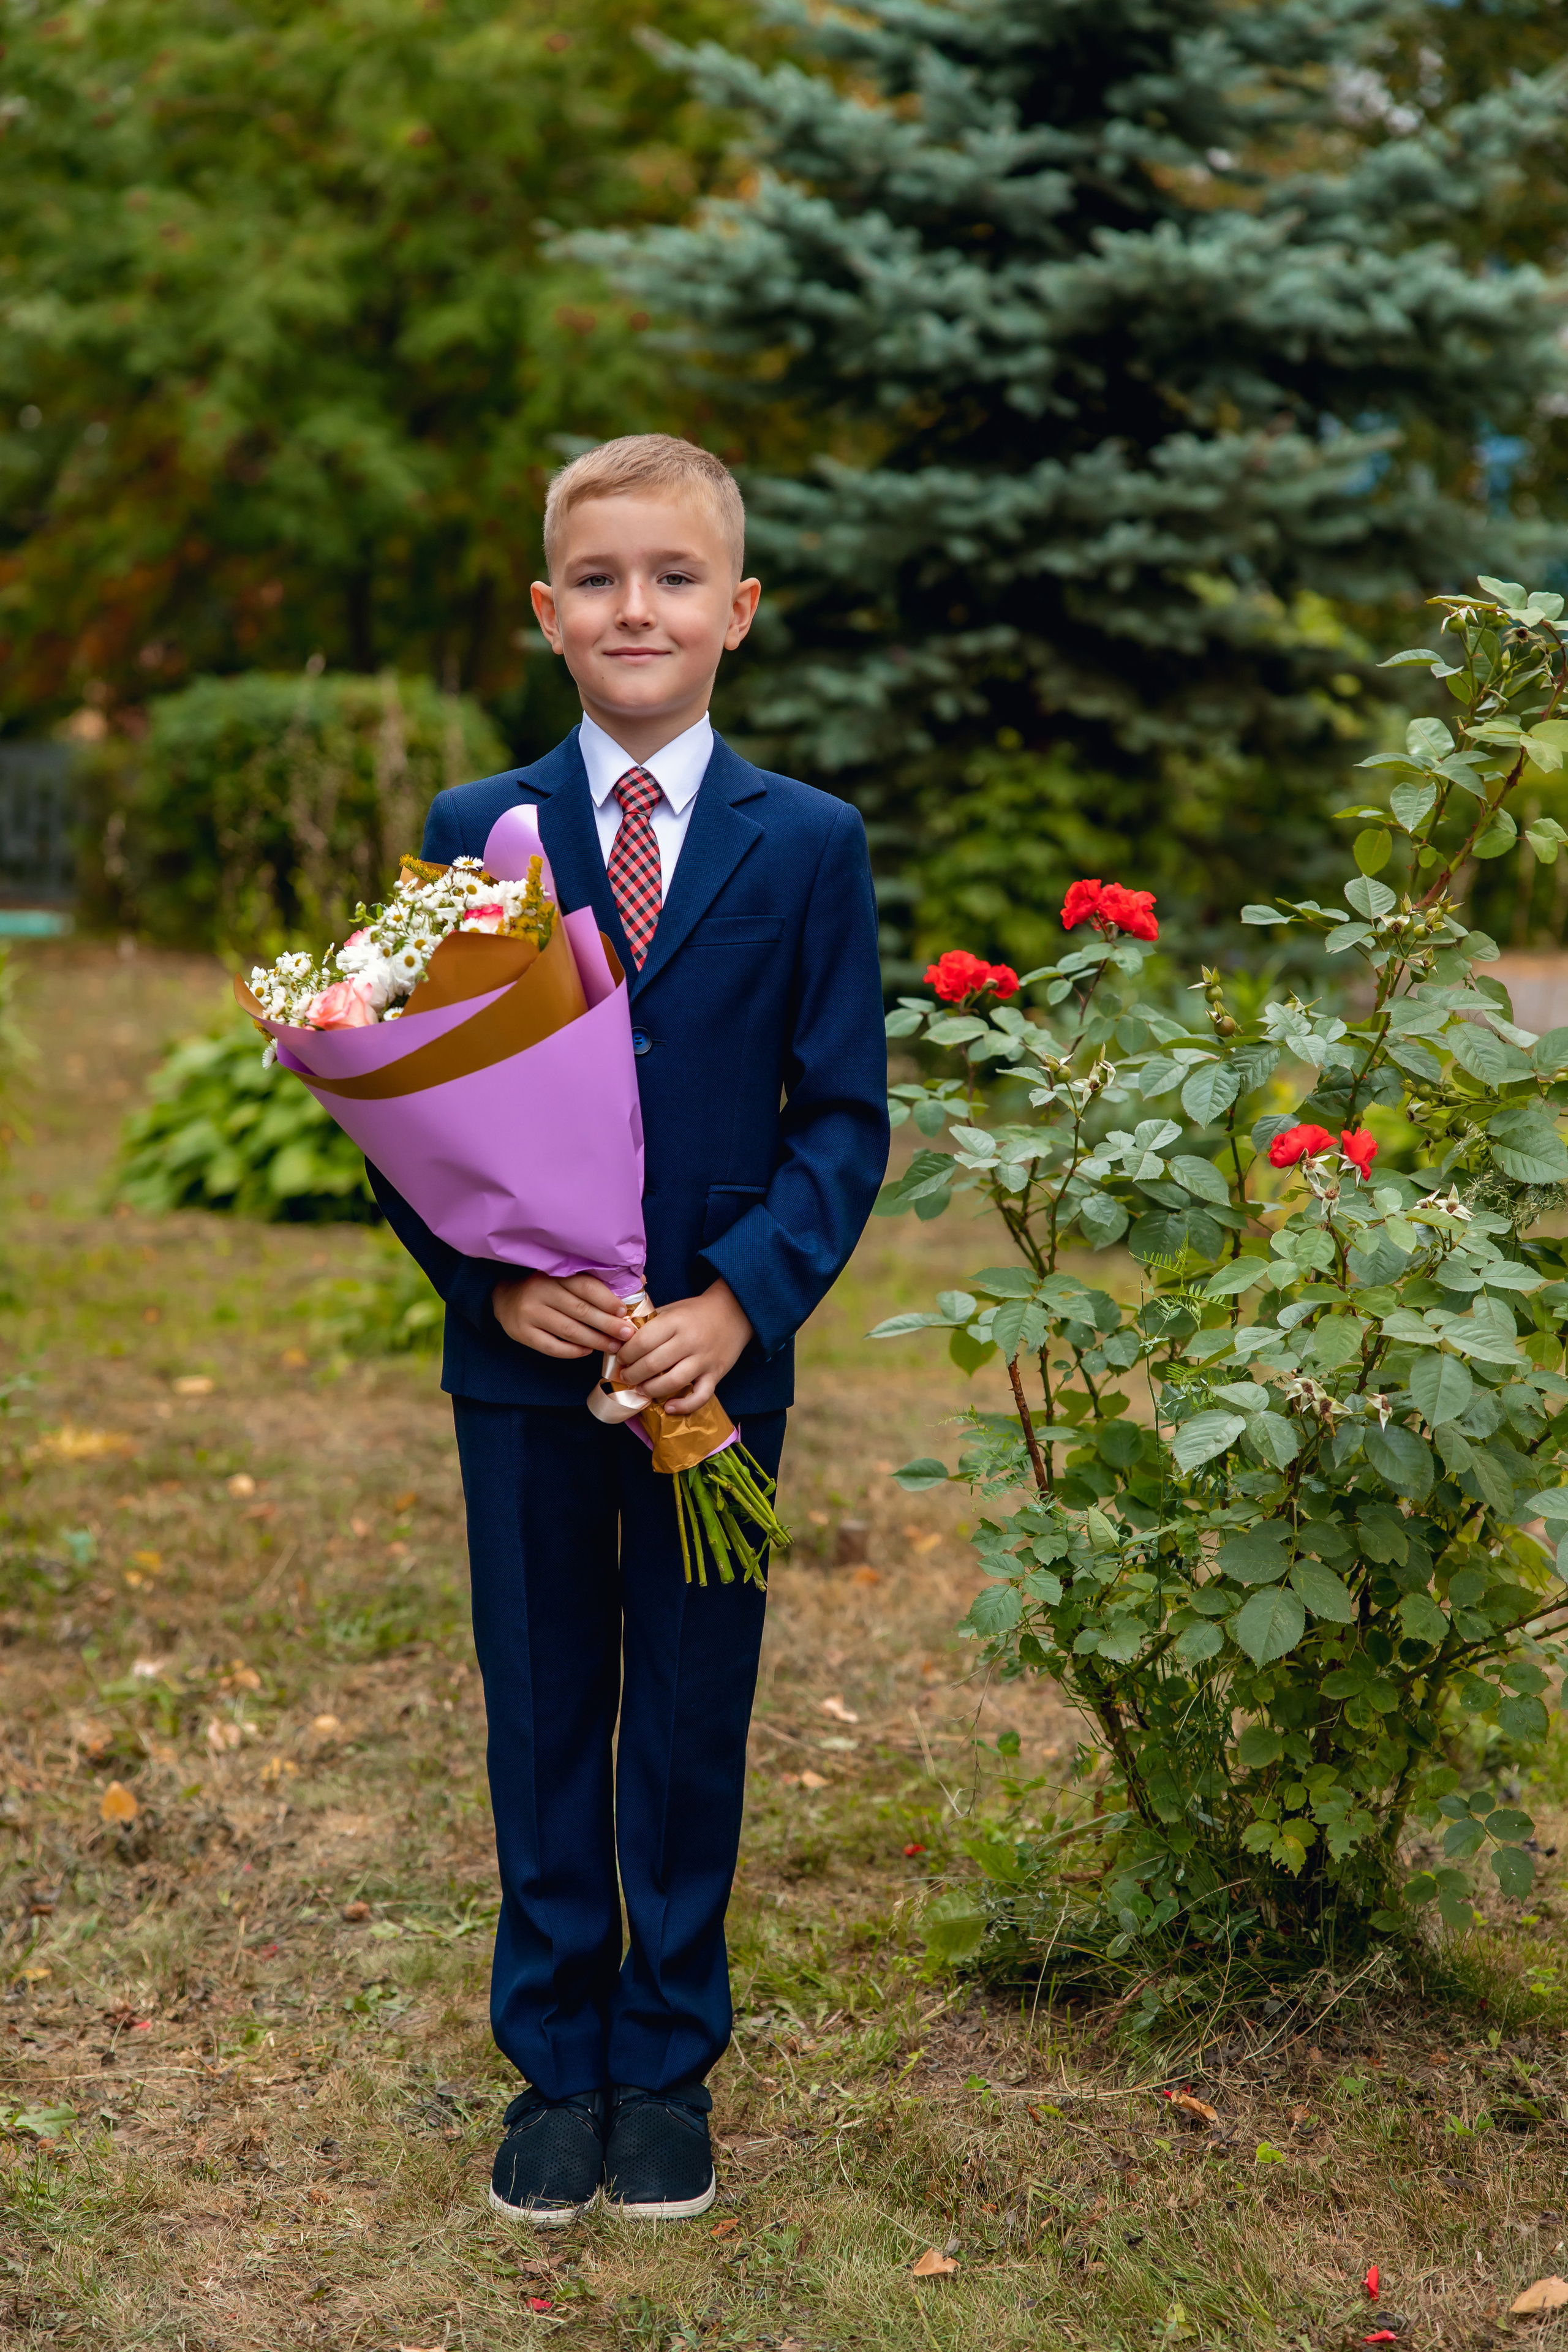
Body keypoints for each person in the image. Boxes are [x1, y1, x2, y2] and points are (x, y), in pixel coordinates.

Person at [369, 434, 889, 2225]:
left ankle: (665, 2060)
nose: (636, 607)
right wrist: (485, 1278)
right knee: (542, 1704)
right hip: (525, 1369)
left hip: (708, 1374)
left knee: (685, 1704)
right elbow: (414, 1101)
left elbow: (843, 1116)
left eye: (675, 578)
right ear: (546, 614)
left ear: (739, 612)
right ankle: (556, 2059)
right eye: (598, 579)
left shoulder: (810, 845)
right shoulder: (475, 832)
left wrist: (738, 1305)